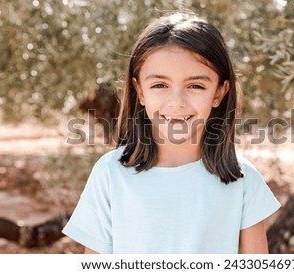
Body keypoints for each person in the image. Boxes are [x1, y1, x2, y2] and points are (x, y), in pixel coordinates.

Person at [62, 12, 280, 254]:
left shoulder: (243, 181)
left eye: (196, 86)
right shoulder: (110, 175)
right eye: (160, 85)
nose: (176, 103)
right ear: (140, 91)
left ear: (219, 93)